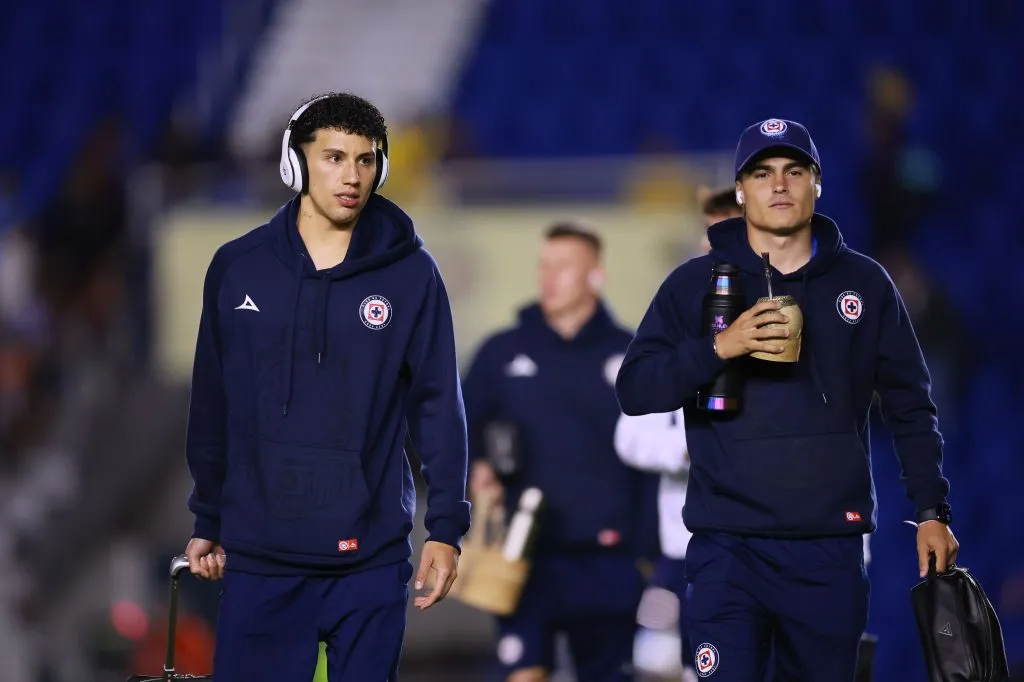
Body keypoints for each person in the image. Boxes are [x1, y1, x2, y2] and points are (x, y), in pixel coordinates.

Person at [615, 118, 959, 681]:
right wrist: (720, 347)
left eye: (794, 171)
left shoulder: (866, 284)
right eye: (762, 173)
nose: (779, 184)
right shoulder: (692, 285)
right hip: (727, 547)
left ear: (816, 184)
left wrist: (930, 511)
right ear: (740, 190)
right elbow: (635, 389)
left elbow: (911, 407)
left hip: (828, 548)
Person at [182, 92, 471, 681]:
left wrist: (446, 529)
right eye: (334, 158)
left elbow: (439, 404)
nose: (352, 176)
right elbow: (212, 402)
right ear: (296, 163)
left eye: (365, 160)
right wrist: (207, 518)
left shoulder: (413, 275)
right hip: (261, 556)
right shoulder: (237, 266)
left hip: (370, 559)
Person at [463, 222, 657, 682]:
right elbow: (459, 429)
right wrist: (477, 466)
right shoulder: (501, 352)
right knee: (523, 673)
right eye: (544, 266)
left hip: (609, 558)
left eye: (564, 266)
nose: (549, 278)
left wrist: (649, 552)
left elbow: (653, 460)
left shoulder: (631, 355)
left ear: (596, 275)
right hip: (521, 555)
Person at [613, 189, 741, 681]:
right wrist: (688, 450)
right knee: (671, 662)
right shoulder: (674, 335)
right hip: (686, 543)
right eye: (709, 242)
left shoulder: (786, 326)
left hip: (763, 538)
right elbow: (630, 434)